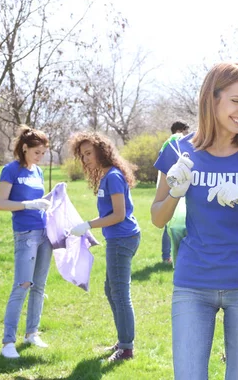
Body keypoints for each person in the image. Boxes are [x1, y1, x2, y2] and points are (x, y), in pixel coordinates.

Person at [151, 62, 238, 380]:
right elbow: (158, 219)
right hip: (193, 284)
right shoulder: (178, 150)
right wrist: (174, 193)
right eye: (236, 101)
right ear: (212, 99)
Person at [69, 132, 141, 362]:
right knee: (112, 290)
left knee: (119, 293)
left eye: (89, 153)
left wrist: (88, 225)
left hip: (122, 239)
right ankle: (123, 341)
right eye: (83, 155)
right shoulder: (106, 176)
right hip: (118, 238)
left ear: (102, 151)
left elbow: (119, 215)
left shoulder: (113, 177)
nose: (86, 159)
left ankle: (127, 349)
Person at [0, 125, 52, 359]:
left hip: (44, 233)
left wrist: (51, 199)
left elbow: (39, 199)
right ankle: (8, 342)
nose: (40, 157)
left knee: (39, 286)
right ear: (25, 148)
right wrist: (28, 205)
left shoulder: (37, 172)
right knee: (22, 285)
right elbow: (2, 203)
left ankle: (31, 333)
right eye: (36, 152)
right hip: (25, 234)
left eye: (43, 153)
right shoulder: (11, 170)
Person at [160, 120, 190, 264]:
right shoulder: (175, 141)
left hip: (170, 185)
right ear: (180, 130)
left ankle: (167, 255)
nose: (187, 134)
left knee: (169, 223)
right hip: (175, 185)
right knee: (171, 223)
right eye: (186, 131)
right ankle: (168, 256)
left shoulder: (167, 143)